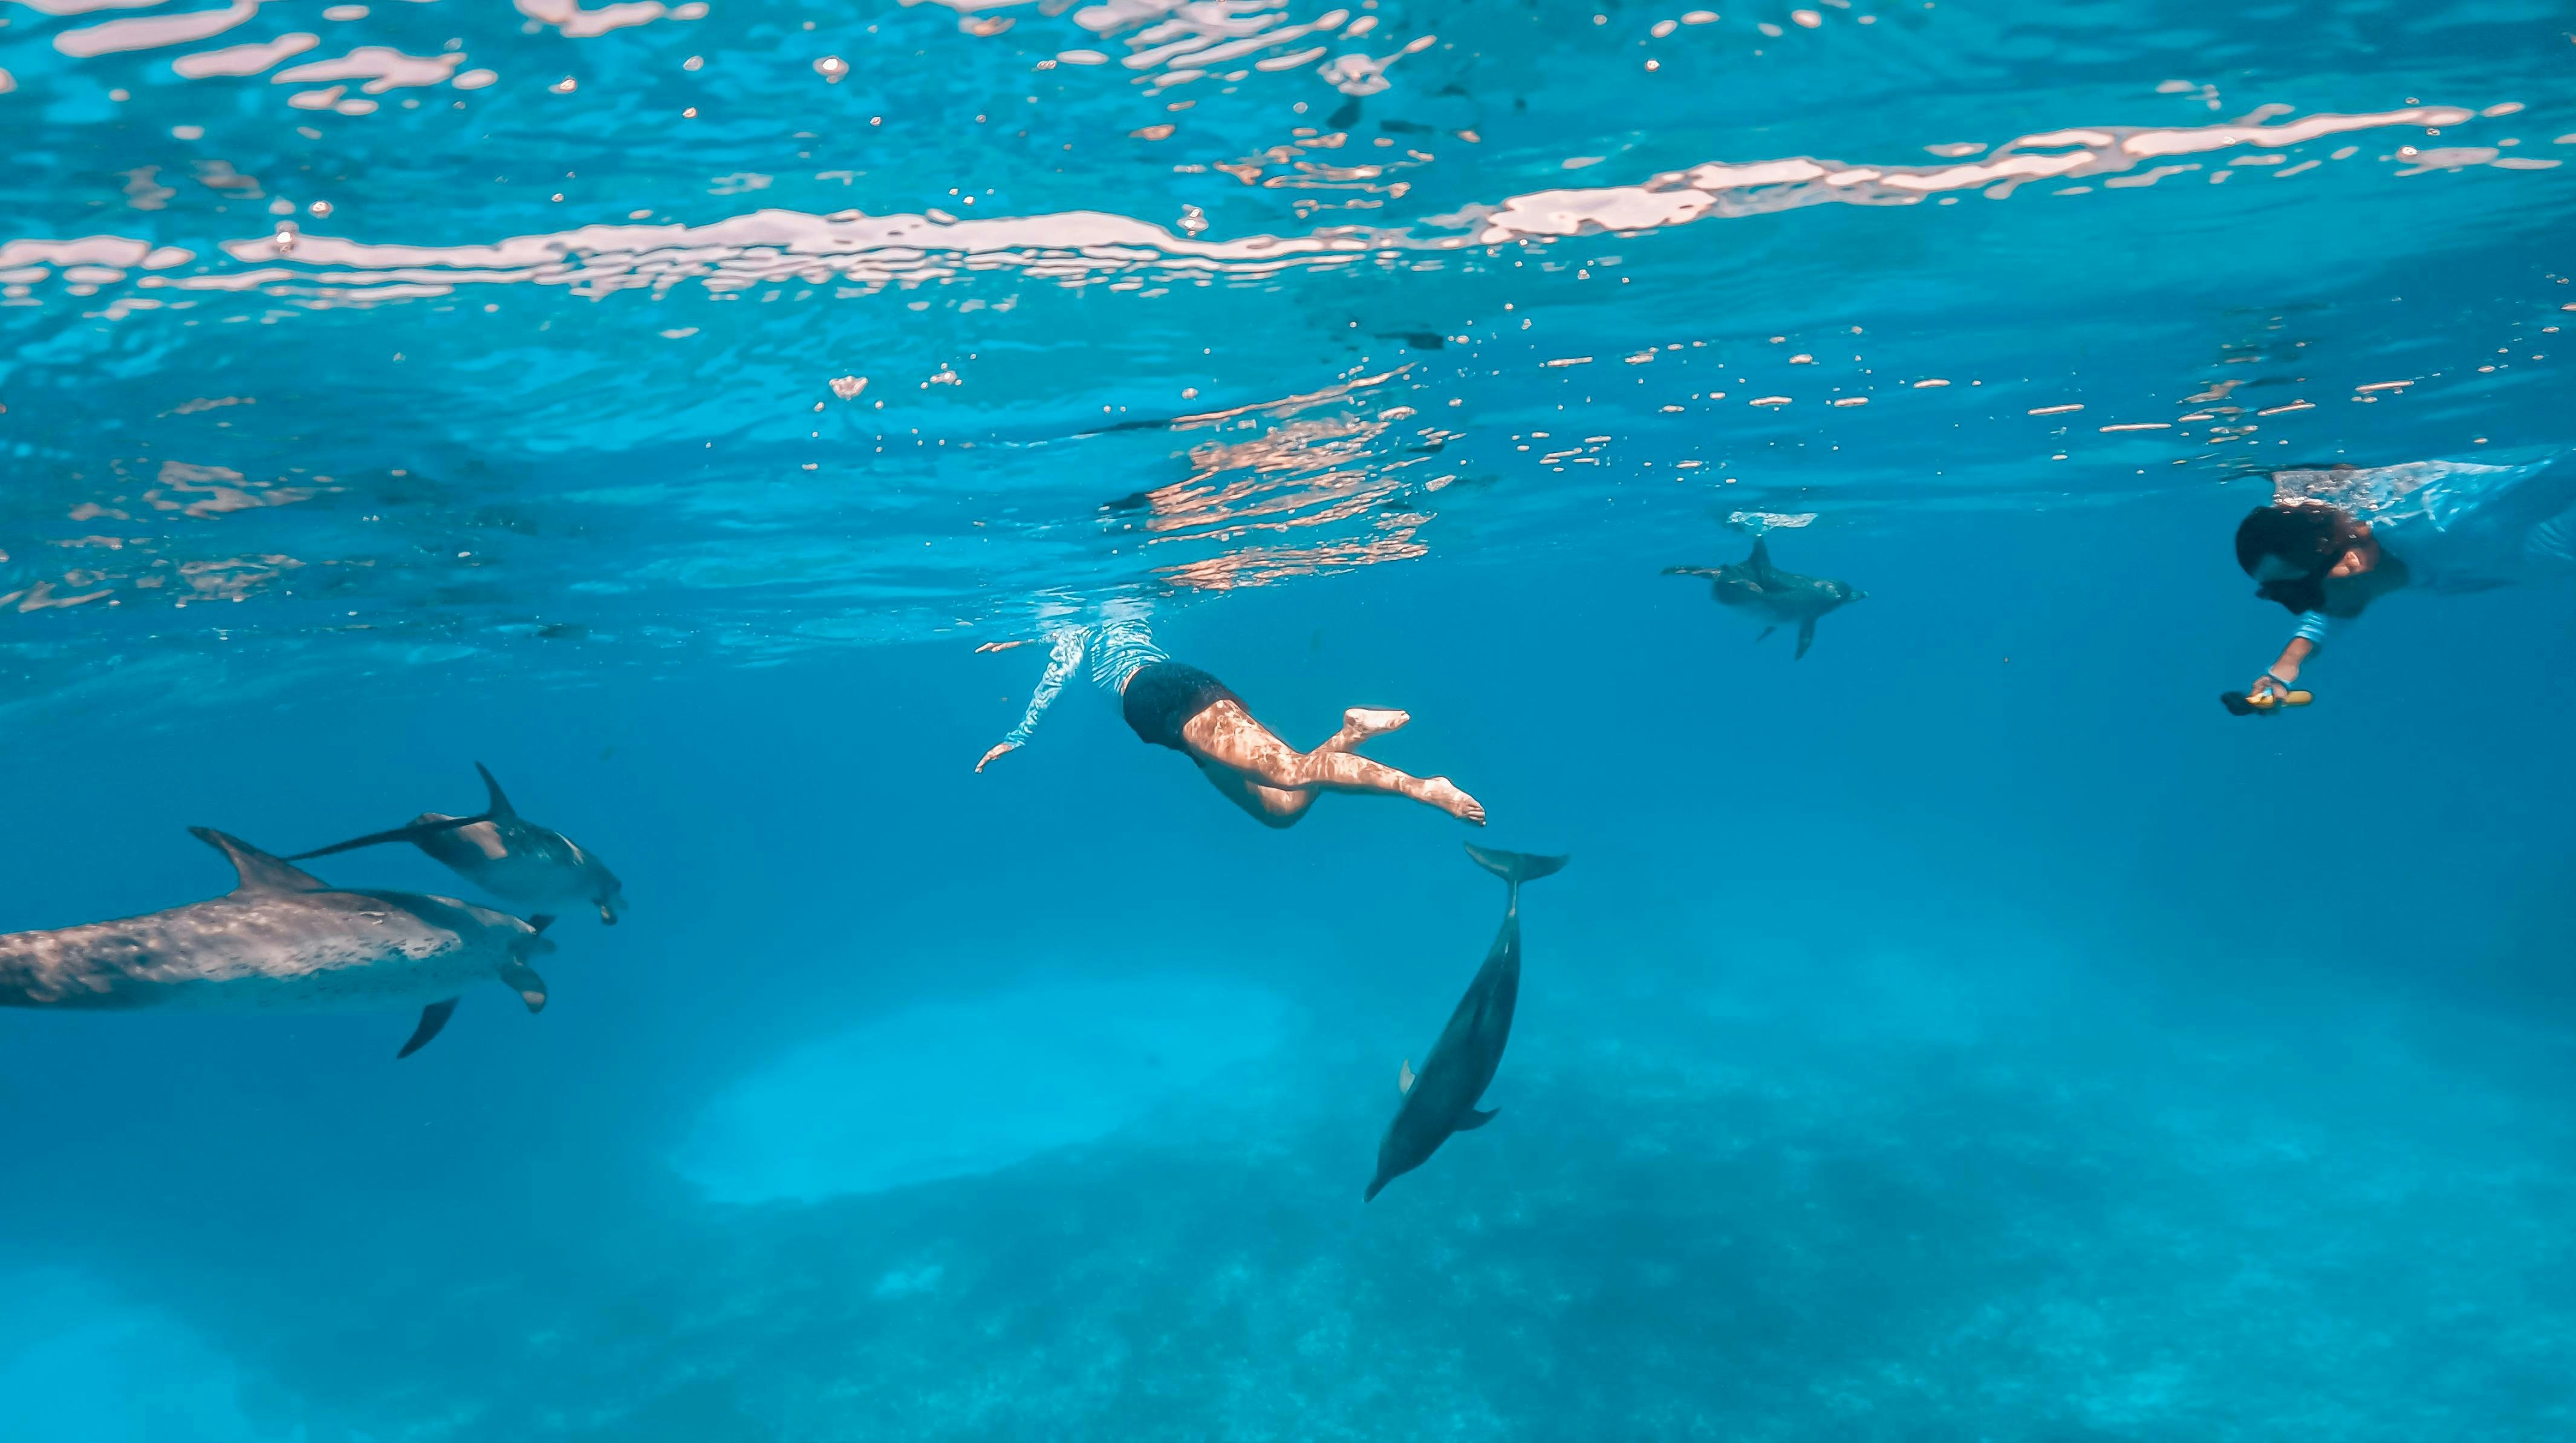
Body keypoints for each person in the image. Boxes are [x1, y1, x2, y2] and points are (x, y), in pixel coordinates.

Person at [974, 613, 1485, 828]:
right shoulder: (1116, 615)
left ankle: (1421, 787)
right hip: (1175, 698)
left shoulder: (1076, 630)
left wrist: (1018, 735)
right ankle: (1349, 735)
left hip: (1164, 701)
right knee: (1280, 811)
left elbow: (1056, 678)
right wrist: (1021, 639)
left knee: (1290, 771)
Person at [2233, 454, 2575, 703]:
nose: (2306, 608)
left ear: (2350, 564)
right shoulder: (2372, 571)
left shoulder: (2447, 527)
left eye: (2301, 595)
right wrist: (2281, 673)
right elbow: (2325, 620)